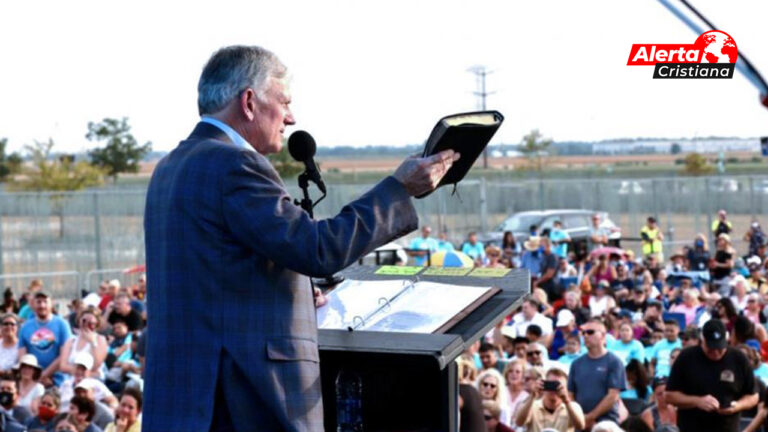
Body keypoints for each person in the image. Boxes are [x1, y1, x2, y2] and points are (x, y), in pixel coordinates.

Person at [143, 45, 458, 431]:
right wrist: (398, 189)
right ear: (248, 102)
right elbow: (316, 248)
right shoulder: (233, 163)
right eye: (285, 102)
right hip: (240, 399)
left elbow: (215, 273)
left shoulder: (170, 166)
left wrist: (288, 286)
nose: (290, 118)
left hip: (185, 399)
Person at [666, 319, 758, 432]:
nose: (715, 352)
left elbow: (753, 396)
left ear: (727, 340)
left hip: (727, 427)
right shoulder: (686, 357)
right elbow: (669, 395)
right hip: (692, 427)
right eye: (710, 348)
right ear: (702, 340)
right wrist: (697, 401)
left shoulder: (739, 359)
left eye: (720, 348)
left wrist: (737, 405)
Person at [567, 318, 626, 429]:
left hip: (606, 423)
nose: (585, 335)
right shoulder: (576, 364)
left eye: (590, 332)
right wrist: (579, 417)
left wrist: (590, 417)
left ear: (603, 336)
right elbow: (570, 395)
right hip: (581, 423)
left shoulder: (614, 362)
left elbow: (613, 395)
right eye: (583, 333)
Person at [17, 291, 72, 387]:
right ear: (33, 304)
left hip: (57, 379)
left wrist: (44, 375)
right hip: (33, 378)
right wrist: (35, 377)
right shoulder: (25, 327)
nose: (42, 305)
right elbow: (23, 357)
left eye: (45, 302)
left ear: (51, 303)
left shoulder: (62, 324)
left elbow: (64, 355)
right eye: (38, 302)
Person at [515, 367, 585, 432]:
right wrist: (532, 396)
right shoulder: (532, 405)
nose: (553, 389)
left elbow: (580, 426)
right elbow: (519, 423)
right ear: (544, 384)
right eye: (550, 384)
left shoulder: (573, 406)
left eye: (557, 385)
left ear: (566, 388)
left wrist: (566, 400)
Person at [59, 309, 108, 378]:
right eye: (84, 321)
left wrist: (93, 343)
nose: (86, 324)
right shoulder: (71, 341)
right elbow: (63, 366)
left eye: (91, 323)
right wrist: (80, 371)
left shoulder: (100, 339)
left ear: (96, 323)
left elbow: (96, 366)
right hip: (72, 379)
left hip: (92, 380)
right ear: (79, 321)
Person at [532, 237, 559, 302]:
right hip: (543, 285)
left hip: (551, 287)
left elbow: (549, 274)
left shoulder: (552, 257)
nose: (540, 247)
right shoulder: (543, 256)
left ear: (548, 246)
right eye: (539, 245)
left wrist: (537, 282)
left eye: (541, 245)